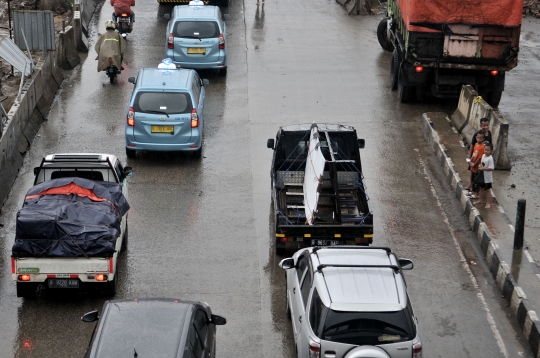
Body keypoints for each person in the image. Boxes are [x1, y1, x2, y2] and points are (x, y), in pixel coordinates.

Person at [473, 143, 495, 209]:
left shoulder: (490, 158)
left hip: (487, 178)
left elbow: (492, 168)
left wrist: (483, 168)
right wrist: (480, 166)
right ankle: (480, 200)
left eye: (488, 150)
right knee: (481, 188)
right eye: (485, 150)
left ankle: (488, 203)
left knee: (488, 190)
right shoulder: (483, 156)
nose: (486, 151)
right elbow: (482, 164)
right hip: (482, 175)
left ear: (491, 150)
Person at [466, 131, 485, 198]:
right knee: (473, 179)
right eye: (477, 138)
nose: (479, 139)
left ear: (483, 139)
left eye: (480, 138)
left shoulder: (482, 147)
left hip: (477, 166)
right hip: (473, 164)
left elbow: (479, 158)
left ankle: (476, 194)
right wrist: (470, 160)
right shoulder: (476, 145)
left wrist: (474, 164)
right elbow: (474, 154)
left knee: (476, 180)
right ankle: (473, 191)